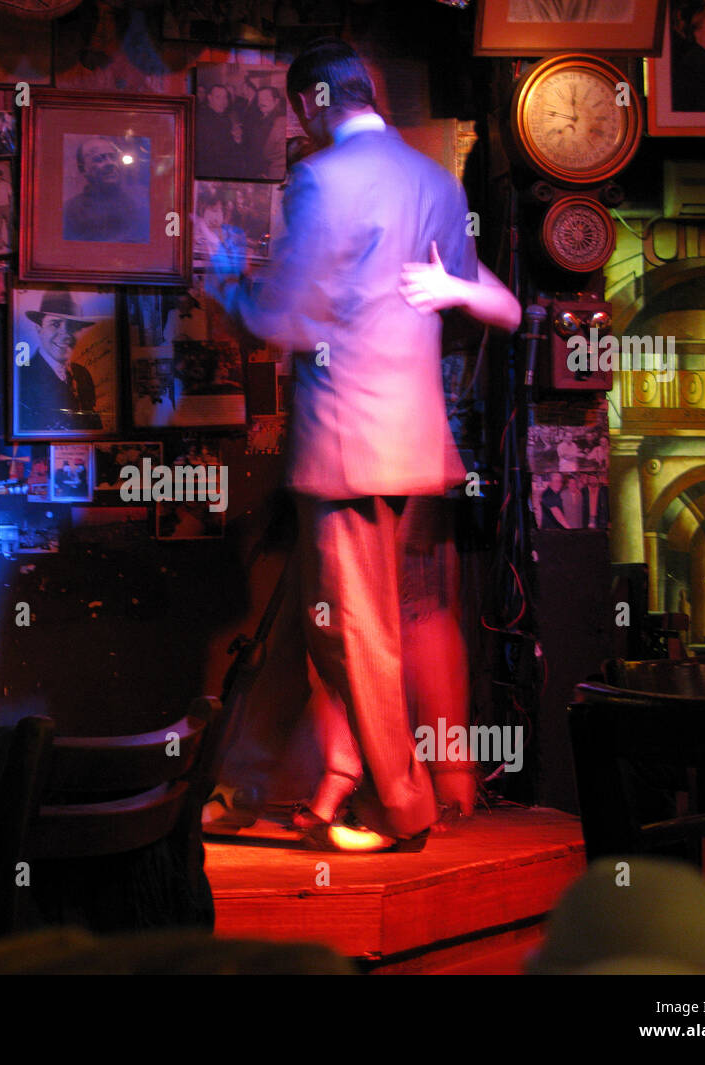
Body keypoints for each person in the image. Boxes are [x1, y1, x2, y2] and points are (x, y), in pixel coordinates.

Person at [204, 38, 521, 852]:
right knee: (356, 625)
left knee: (352, 632)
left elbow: (287, 319)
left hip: (345, 438)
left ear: (312, 101)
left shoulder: (320, 179)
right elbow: (474, 295)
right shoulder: (434, 179)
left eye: (295, 112)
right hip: (413, 444)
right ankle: (330, 790)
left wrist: (227, 281)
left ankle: (402, 804)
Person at [17, 291, 104, 433]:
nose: (65, 335)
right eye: (55, 324)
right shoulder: (24, 376)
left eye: (73, 326)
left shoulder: (82, 374)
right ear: (39, 329)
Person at [63, 137, 148, 244]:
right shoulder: (70, 211)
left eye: (113, 157)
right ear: (83, 168)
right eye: (99, 159)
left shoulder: (138, 206)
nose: (110, 163)